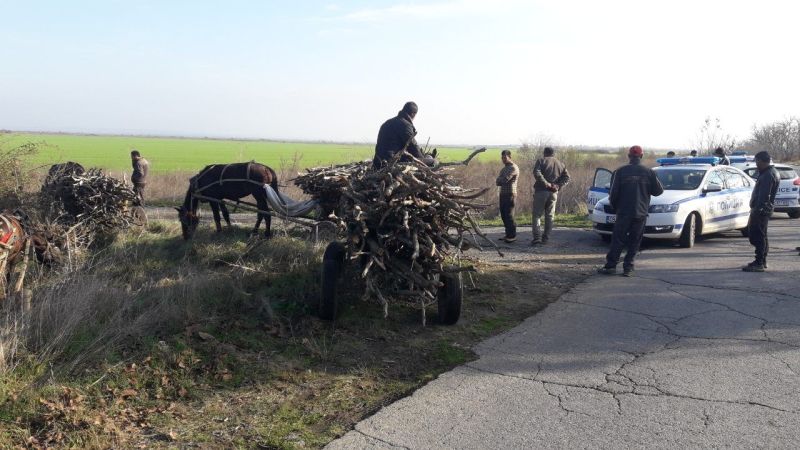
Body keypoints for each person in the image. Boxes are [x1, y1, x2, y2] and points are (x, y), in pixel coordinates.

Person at [598, 145, 664, 277]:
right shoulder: (649, 172)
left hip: (623, 212)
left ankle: (611, 266)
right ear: (641, 156)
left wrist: (615, 208)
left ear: (629, 156)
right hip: (640, 212)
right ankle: (628, 268)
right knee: (635, 241)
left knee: (618, 240)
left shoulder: (620, 172)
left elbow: (613, 193)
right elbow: (658, 191)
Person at [743, 151, 780, 272]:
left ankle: (759, 262)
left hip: (761, 210)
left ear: (762, 161)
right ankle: (762, 260)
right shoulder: (767, 173)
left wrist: (758, 210)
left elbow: (764, 195)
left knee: (757, 236)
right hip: (762, 209)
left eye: (757, 161)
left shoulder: (768, 174)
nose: (756, 163)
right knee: (761, 236)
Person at [531, 147, 570, 245]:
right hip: (553, 193)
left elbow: (536, 172)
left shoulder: (541, 161)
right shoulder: (561, 164)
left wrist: (546, 183)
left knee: (537, 215)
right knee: (550, 216)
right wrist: (558, 185)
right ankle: (546, 239)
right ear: (553, 154)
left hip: (541, 191)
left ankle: (537, 238)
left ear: (545, 153)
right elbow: (567, 177)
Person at [373, 102, 425, 169]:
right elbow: (413, 147)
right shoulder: (406, 125)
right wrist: (422, 160)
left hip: (377, 163)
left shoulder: (387, 123)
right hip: (391, 163)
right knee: (432, 162)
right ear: (413, 114)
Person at [495, 150, 519, 243]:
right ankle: (508, 234)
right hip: (503, 194)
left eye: (505, 158)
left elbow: (504, 180)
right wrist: (499, 179)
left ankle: (512, 236)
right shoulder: (504, 168)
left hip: (510, 194)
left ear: (510, 157)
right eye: (502, 158)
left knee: (509, 215)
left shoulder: (513, 168)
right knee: (504, 215)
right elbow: (498, 181)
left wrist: (500, 179)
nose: (503, 160)